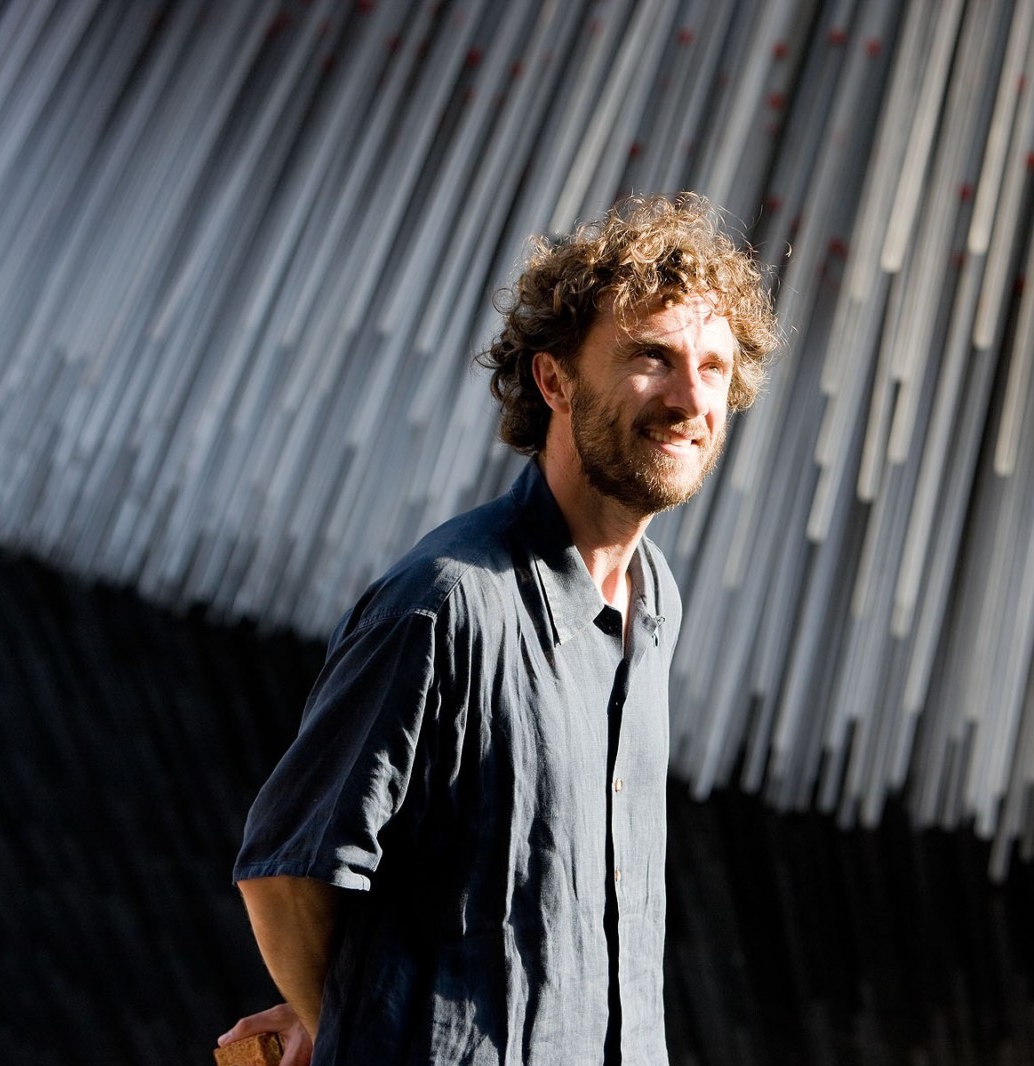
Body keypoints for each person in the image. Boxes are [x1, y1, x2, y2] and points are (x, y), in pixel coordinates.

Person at [217, 192, 777, 1064]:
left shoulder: (653, 597)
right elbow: (287, 872)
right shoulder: (443, 605)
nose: (688, 397)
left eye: (713, 367)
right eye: (651, 358)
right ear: (554, 381)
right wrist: (350, 1024)